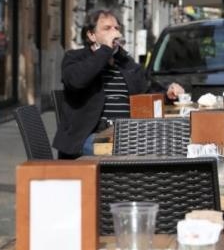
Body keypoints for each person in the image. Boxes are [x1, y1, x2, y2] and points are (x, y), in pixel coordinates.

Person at [52, 9, 185, 159]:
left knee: (169, 144)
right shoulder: (75, 58)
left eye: (116, 28)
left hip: (126, 134)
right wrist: (105, 50)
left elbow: (147, 89)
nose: (114, 32)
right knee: (134, 151)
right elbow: (76, 81)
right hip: (87, 137)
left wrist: (168, 92)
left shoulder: (125, 63)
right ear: (91, 35)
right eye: (107, 28)